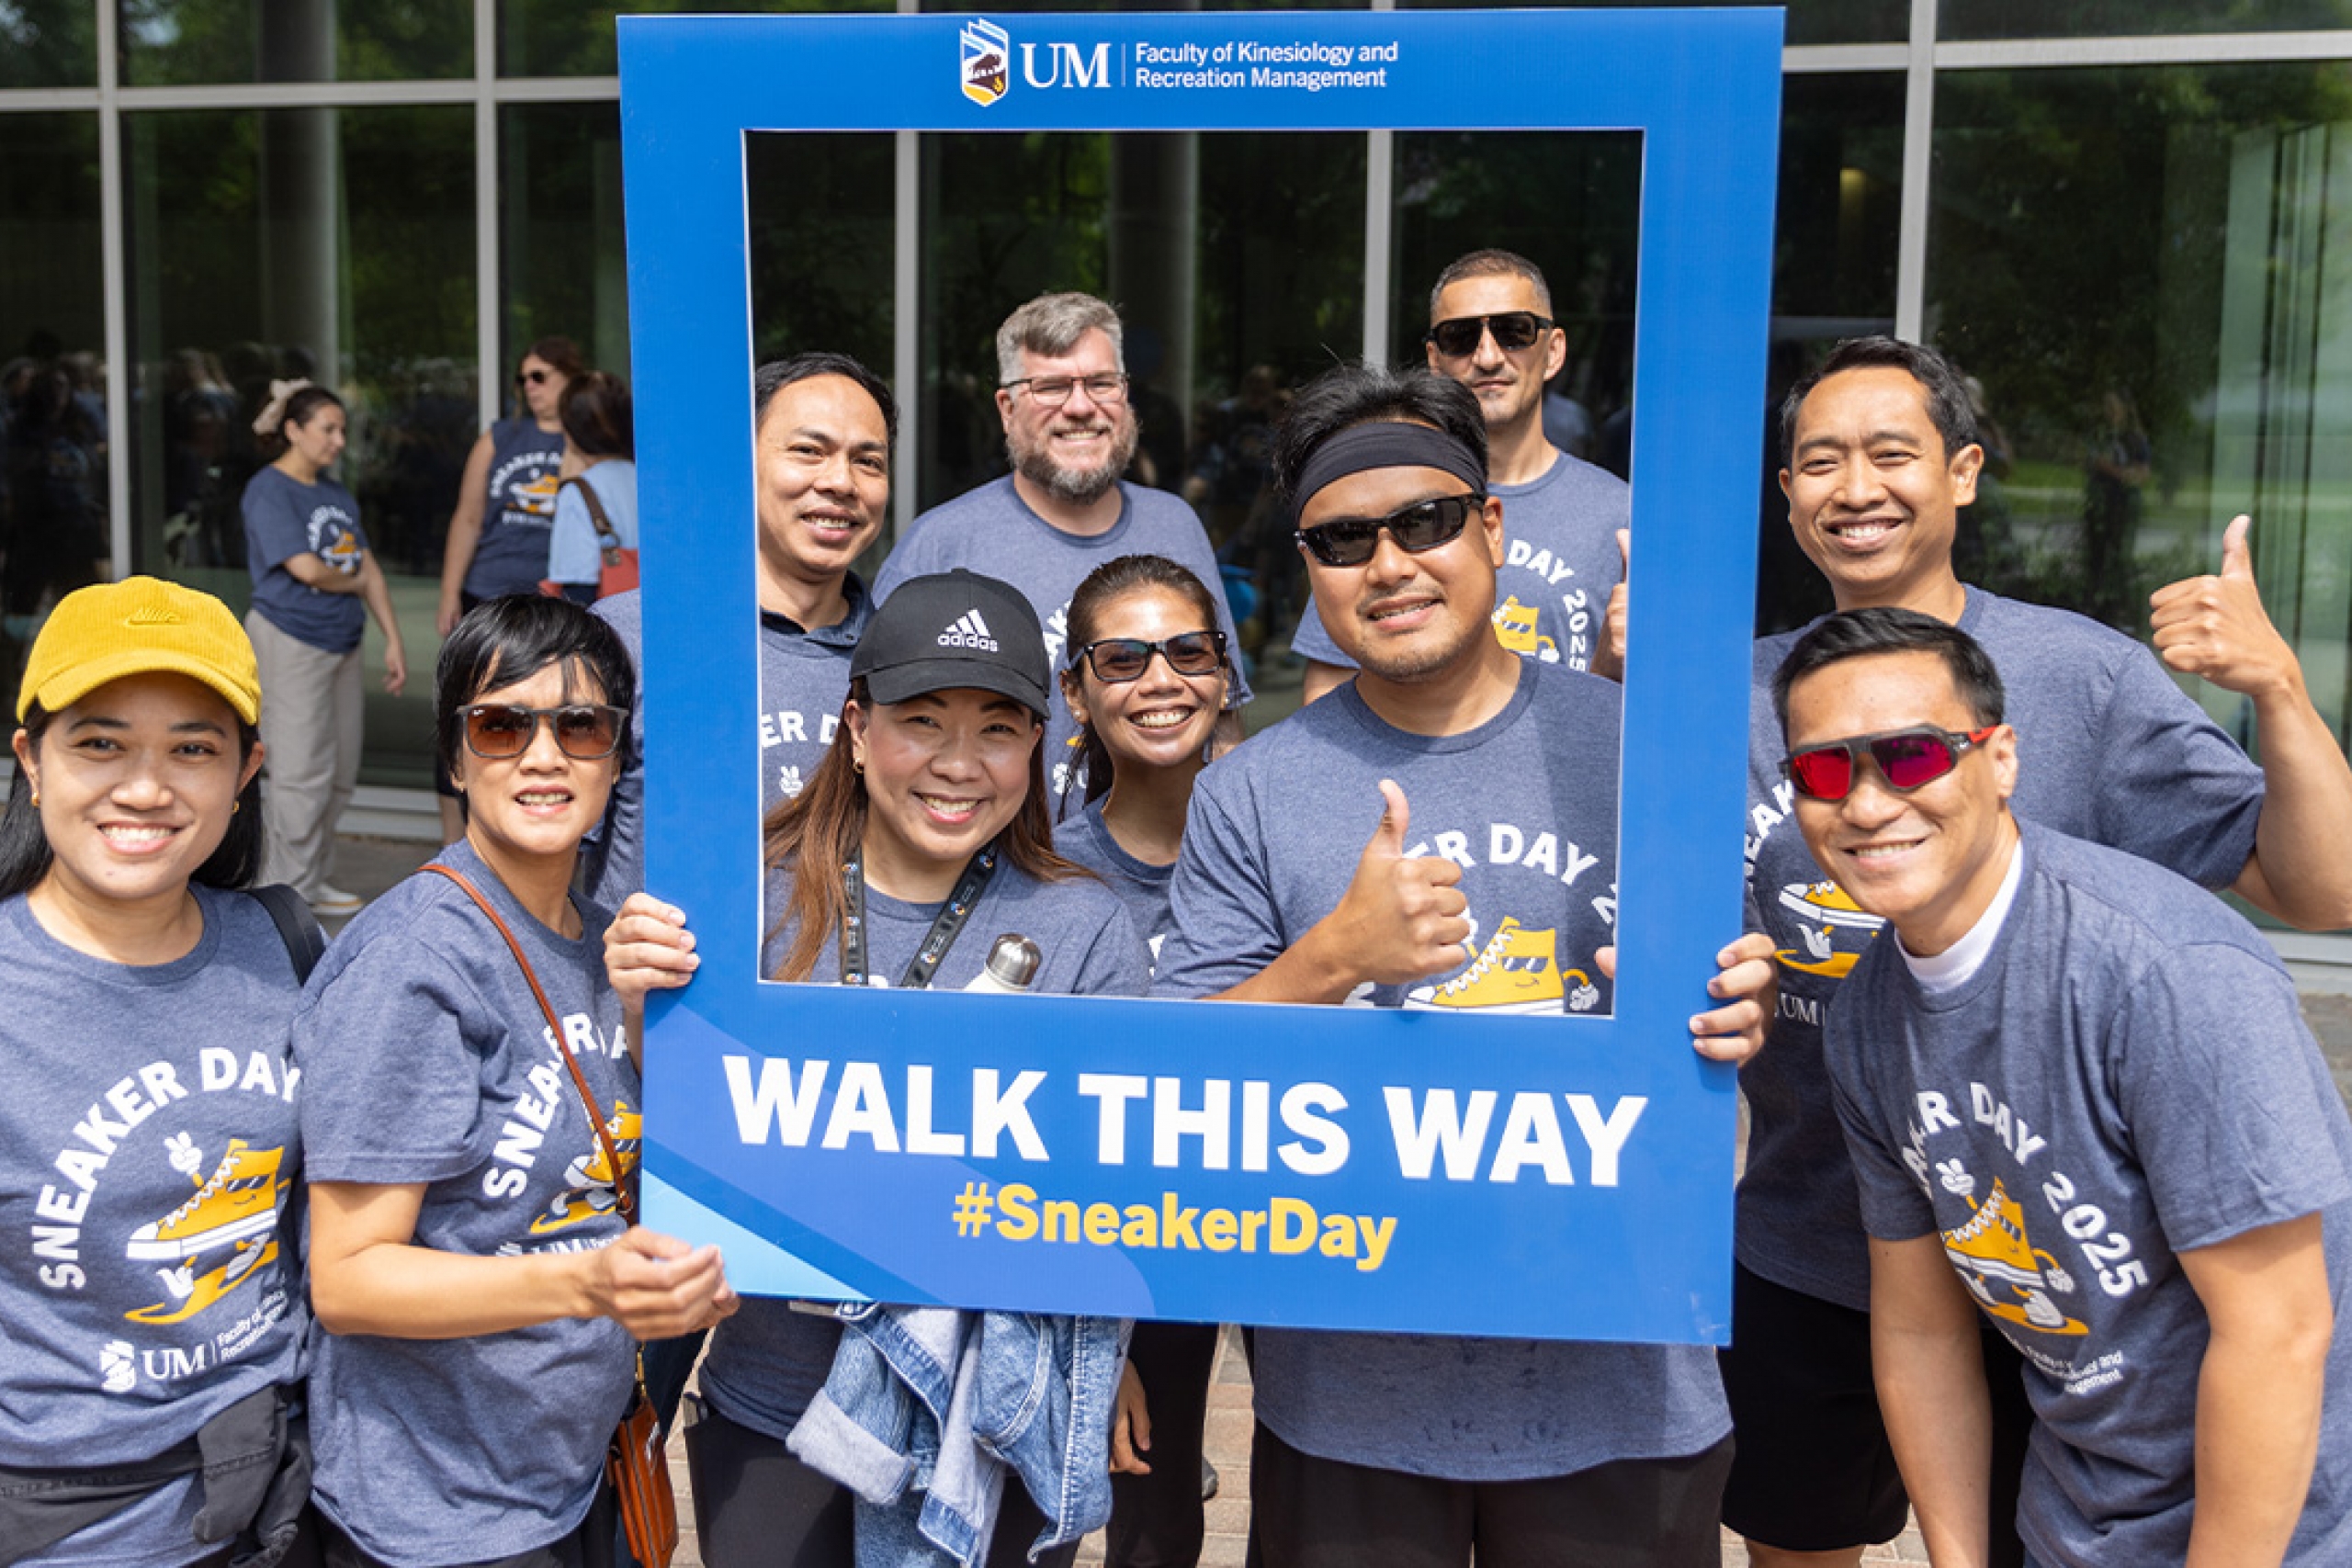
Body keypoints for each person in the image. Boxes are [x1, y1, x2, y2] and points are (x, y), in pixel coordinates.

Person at [1725, 334, 2352, 1568]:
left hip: (2058, 1267)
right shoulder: (1733, 696)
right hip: (1816, 1229)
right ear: (1787, 493)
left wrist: (2279, 690)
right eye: (1821, 460)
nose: (1856, 486)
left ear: (1963, 472)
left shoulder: (2083, 686)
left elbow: (2319, 888)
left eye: (1891, 452)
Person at [1152, 363, 1775, 1567]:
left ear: (1491, 526)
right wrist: (1334, 958)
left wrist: (1739, 1006)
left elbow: (1747, 983)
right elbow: (1179, 1077)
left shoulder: (1647, 752)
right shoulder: (1249, 791)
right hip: (1348, 1395)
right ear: (1308, 567)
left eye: (1425, 521)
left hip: (1625, 1378)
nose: (1388, 564)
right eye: (1343, 540)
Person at [605, 568, 1151, 1568]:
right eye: (922, 721)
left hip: (986, 1426)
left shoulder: (1086, 929)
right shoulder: (742, 899)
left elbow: (1106, 1200)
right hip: (773, 1408)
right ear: (855, 729)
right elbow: (679, 1140)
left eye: (997, 728)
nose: (958, 763)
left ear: (1037, 744)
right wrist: (647, 1020)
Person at [295, 594, 736, 1568]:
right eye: (502, 725)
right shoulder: (416, 962)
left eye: (580, 726)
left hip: (570, 1476)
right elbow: (349, 1278)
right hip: (436, 1512)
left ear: (616, 758)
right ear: (456, 760)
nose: (545, 756)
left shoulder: (606, 941)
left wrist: (643, 1024)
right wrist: (587, 1284)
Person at [0, 577, 315, 1567]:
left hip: (284, 1494)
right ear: (31, 761)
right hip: (71, 1529)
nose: (145, 788)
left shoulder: (285, 947)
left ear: (246, 770)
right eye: (100, 743)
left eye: (192, 748)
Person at [874, 292, 1248, 809]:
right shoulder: (940, 544)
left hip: (1170, 852)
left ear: (1125, 395)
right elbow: (881, 726)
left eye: (1101, 383)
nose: (1080, 407)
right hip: (996, 857)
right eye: (1051, 387)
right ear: (1007, 409)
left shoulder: (1176, 526)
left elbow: (1224, 718)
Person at [1055, 553, 1234, 1567]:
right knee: (1154, 1521)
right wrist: (1097, 1328)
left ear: (1224, 672)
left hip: (1294, 1219)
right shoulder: (1046, 872)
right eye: (1123, 658)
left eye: (1187, 651)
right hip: (1129, 1246)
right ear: (1075, 692)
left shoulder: (1291, 847)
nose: (1161, 679)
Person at [582, 351, 893, 912]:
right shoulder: (631, 638)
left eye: (868, 461)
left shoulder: (900, 657)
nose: (841, 482)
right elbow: (544, 860)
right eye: (809, 451)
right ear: (741, 463)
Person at [1299, 250, 1627, 699]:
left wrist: (1607, 675)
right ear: (1434, 360)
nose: (1488, 356)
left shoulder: (1623, 516)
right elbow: (1328, 698)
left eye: (1514, 332)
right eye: (1461, 337)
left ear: (1553, 351)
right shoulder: (1378, 497)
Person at [240, 380, 407, 919]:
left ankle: (310, 876)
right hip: (291, 640)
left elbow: (368, 567)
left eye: (342, 430)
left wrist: (393, 639)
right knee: (299, 773)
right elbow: (306, 569)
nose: (339, 441)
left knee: (338, 774)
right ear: (293, 430)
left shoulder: (335, 494)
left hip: (343, 644)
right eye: (328, 429)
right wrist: (351, 581)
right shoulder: (269, 490)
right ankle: (284, 895)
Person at [433, 335, 587, 840]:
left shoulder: (583, 442)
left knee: (544, 714)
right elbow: (467, 516)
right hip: (488, 591)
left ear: (569, 378)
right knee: (467, 710)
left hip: (553, 600)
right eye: (523, 379)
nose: (529, 387)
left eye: (540, 376)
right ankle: (454, 846)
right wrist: (450, 593)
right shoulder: (500, 437)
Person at [545, 371, 638, 605]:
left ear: (572, 431)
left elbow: (578, 590)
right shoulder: (650, 480)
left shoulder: (579, 492)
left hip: (609, 621)